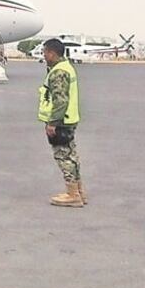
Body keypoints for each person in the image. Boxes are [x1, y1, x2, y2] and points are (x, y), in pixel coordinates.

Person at [39, 38, 85, 207]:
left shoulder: (59, 72)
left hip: (61, 121)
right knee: (71, 156)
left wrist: (52, 123)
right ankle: (78, 191)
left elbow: (60, 100)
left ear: (52, 53)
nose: (44, 56)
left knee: (63, 157)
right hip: (69, 119)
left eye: (45, 52)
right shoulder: (66, 67)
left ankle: (73, 195)